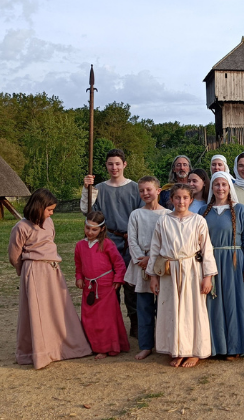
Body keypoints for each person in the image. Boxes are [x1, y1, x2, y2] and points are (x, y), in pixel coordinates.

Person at [9, 189, 91, 369]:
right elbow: (14, 255)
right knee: (38, 311)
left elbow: (50, 242)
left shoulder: (49, 222)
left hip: (53, 270)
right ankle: (39, 351)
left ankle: (61, 347)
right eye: (49, 210)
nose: (51, 213)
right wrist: (22, 271)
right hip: (34, 271)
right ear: (38, 207)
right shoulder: (21, 227)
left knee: (56, 308)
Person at [146, 184, 218, 368]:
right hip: (169, 270)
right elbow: (155, 249)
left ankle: (194, 352)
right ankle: (177, 349)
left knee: (192, 310)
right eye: (177, 198)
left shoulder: (198, 221)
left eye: (185, 198)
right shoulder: (163, 221)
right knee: (172, 310)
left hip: (192, 270)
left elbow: (206, 249)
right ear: (171, 199)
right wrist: (153, 276)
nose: (181, 201)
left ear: (191, 200)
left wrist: (208, 276)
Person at [81, 148, 144, 337]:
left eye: (117, 163)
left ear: (124, 164)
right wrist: (87, 190)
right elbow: (89, 212)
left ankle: (135, 323)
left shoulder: (135, 188)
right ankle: (113, 323)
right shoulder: (99, 188)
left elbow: (140, 214)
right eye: (110, 164)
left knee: (131, 285)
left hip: (129, 242)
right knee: (109, 285)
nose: (114, 167)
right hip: (107, 242)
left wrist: (133, 235)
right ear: (106, 166)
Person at [199, 171, 244, 359]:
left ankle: (235, 346)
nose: (220, 188)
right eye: (217, 185)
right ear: (212, 188)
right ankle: (215, 347)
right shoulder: (203, 212)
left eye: (224, 185)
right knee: (212, 304)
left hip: (234, 262)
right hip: (210, 262)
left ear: (229, 187)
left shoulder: (240, 210)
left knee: (234, 304)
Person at [74, 211, 130, 359]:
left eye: (94, 229)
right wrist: (79, 277)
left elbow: (119, 263)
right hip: (89, 287)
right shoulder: (80, 245)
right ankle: (93, 345)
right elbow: (78, 265)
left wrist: (118, 279)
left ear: (102, 229)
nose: (90, 232)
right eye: (87, 228)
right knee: (89, 317)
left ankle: (106, 347)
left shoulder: (107, 244)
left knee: (105, 319)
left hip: (106, 287)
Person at [124, 176, 169, 360]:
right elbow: (131, 239)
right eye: (142, 190)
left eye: (149, 189)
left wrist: (151, 258)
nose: (145, 193)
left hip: (159, 264)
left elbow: (167, 241)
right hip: (140, 264)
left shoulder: (167, 215)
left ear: (158, 191)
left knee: (164, 307)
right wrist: (140, 259)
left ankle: (165, 343)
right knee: (143, 307)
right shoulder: (136, 214)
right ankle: (145, 345)